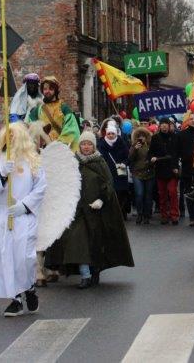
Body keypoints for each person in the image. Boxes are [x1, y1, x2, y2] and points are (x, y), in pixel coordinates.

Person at [44, 131, 134, 288]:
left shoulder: (100, 162)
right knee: (78, 240)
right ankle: (85, 274)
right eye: (83, 144)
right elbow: (65, 182)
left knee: (95, 243)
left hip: (96, 211)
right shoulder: (73, 163)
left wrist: (101, 199)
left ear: (93, 146)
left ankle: (95, 270)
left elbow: (108, 183)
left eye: (89, 144)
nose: (86, 147)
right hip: (77, 210)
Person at [0, 122, 47, 317]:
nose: (10, 140)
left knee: (23, 258)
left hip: (23, 216)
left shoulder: (32, 161)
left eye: (14, 136)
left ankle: (29, 288)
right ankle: (16, 298)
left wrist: (25, 205)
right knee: (5, 257)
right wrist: (1, 175)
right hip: (3, 215)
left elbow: (41, 187)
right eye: (7, 136)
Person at [27, 76, 79, 149]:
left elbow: (71, 130)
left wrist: (58, 145)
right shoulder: (38, 110)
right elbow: (29, 127)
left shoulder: (64, 108)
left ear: (56, 90)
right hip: (43, 150)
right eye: (45, 89)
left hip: (60, 150)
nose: (47, 91)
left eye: (51, 89)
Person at [97, 120, 132, 220]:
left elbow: (127, 156)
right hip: (108, 172)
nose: (111, 135)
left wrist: (124, 164)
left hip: (120, 172)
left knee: (122, 193)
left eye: (113, 133)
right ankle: (113, 214)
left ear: (116, 133)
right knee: (111, 193)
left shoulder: (121, 143)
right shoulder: (101, 145)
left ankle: (122, 212)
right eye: (109, 133)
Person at [149, 118, 180, 224]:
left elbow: (177, 153)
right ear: (159, 126)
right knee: (162, 194)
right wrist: (152, 158)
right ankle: (164, 215)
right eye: (162, 124)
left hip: (172, 169)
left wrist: (176, 166)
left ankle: (174, 215)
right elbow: (151, 152)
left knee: (172, 192)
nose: (164, 126)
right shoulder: (155, 138)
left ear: (169, 125)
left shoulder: (175, 137)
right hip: (160, 169)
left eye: (166, 124)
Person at [176, 112, 194, 227]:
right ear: (188, 121)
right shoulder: (182, 135)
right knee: (190, 194)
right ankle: (193, 217)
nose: (193, 121)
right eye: (191, 119)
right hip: (187, 169)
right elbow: (176, 151)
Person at [129, 125, 154, 224]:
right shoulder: (134, 146)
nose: (142, 138)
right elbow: (130, 159)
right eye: (139, 136)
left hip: (149, 173)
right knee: (139, 194)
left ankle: (147, 215)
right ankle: (140, 213)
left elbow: (155, 156)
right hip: (137, 173)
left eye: (143, 136)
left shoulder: (150, 145)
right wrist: (135, 149)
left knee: (148, 195)